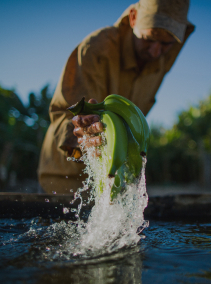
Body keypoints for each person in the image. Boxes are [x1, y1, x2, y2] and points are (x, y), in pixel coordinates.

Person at [38, 0, 195, 194]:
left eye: (166, 43)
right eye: (149, 39)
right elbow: (66, 115)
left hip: (116, 181)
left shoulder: (160, 61)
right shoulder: (95, 49)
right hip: (65, 180)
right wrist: (81, 131)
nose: (156, 51)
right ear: (133, 18)